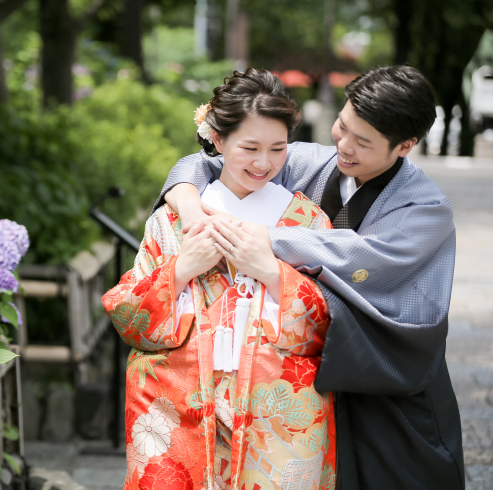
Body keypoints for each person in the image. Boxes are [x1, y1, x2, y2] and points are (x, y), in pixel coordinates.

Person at [159, 65, 464, 489]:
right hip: (310, 376)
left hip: (378, 372)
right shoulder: (311, 162)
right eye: (343, 126)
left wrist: (264, 241)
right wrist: (188, 202)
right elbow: (211, 159)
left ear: (405, 146)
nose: (344, 145)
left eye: (363, 142)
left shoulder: (425, 208)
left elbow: (357, 257)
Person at [102, 69, 338, 490]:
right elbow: (126, 314)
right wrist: (181, 268)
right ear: (217, 139)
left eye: (278, 148)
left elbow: (333, 324)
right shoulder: (173, 221)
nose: (264, 163)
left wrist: (270, 272)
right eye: (249, 147)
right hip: (180, 405)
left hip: (277, 412)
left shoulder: (308, 221)